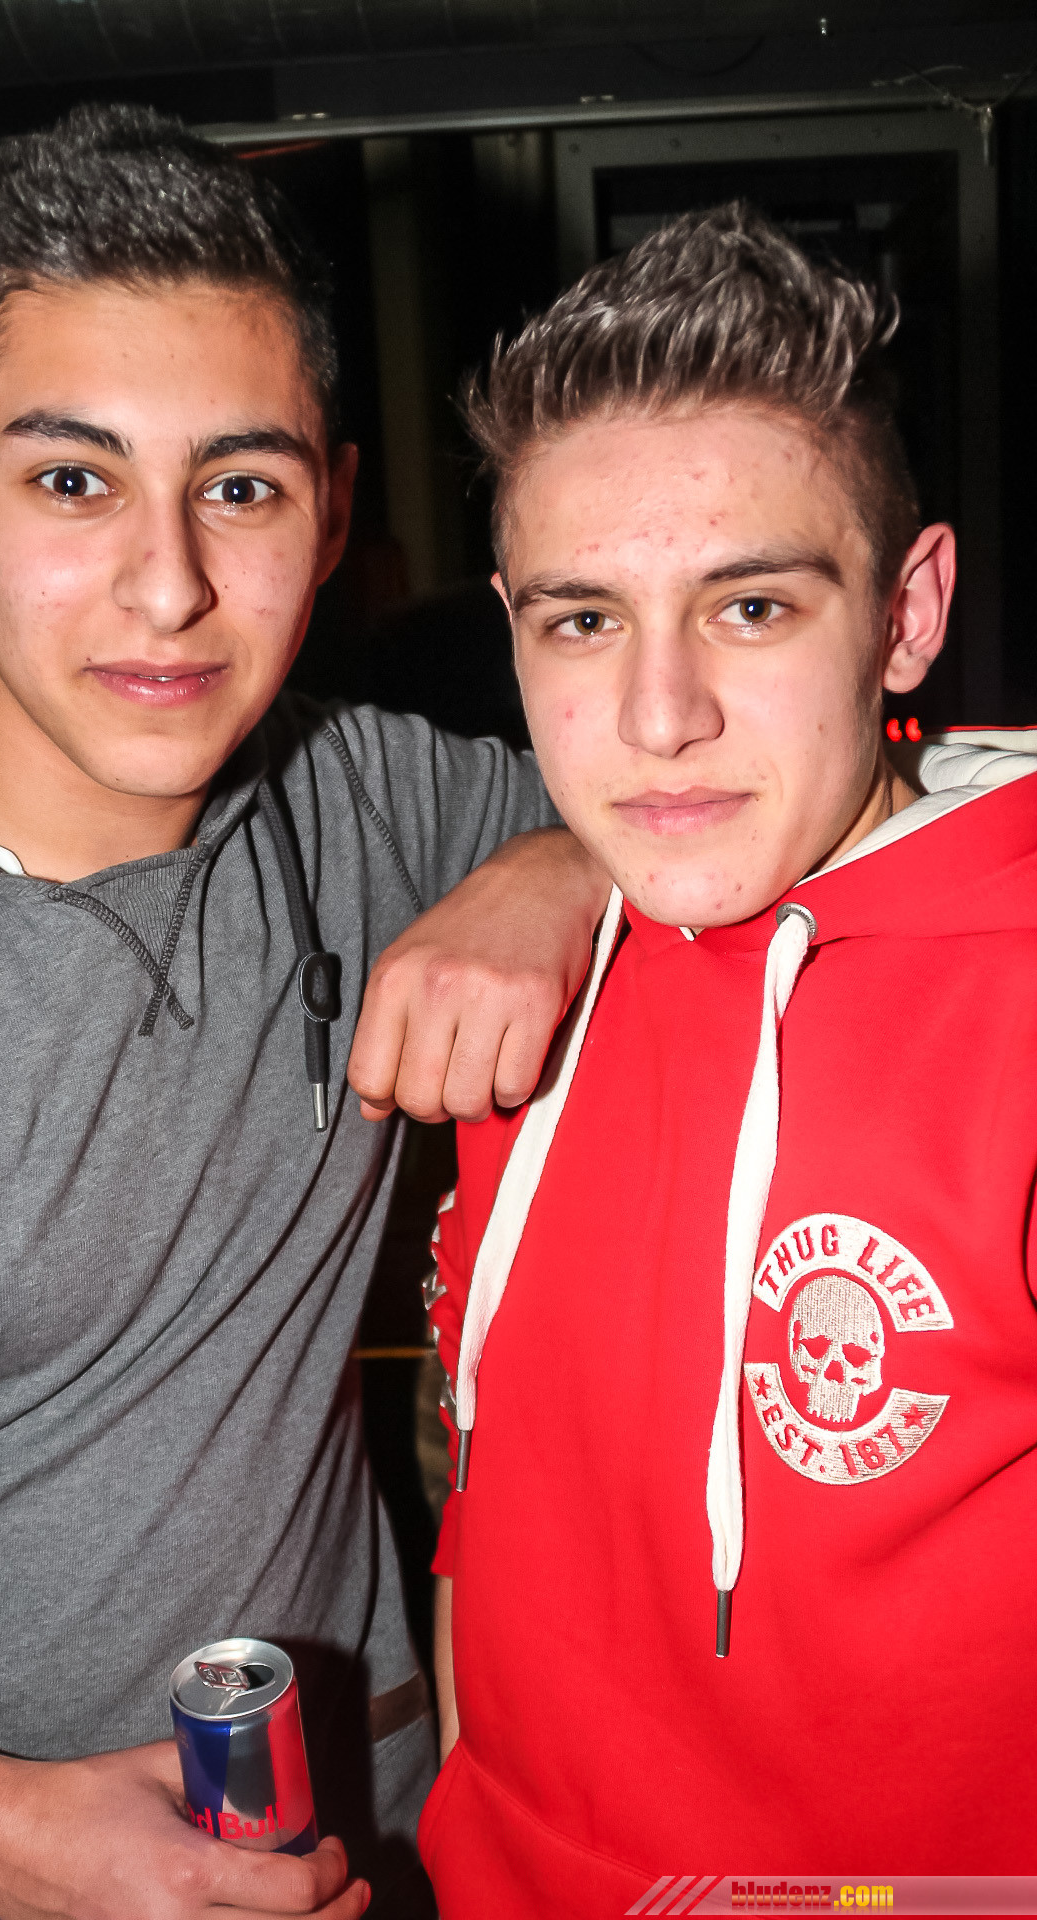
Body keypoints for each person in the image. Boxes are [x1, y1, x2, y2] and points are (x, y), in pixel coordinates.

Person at [0, 105, 611, 1920]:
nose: (171, 587)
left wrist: (566, 863)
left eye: (240, 488)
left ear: (336, 509)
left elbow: (784, 787)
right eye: (73, 483)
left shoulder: (370, 799)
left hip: (353, 1847)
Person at [422, 204, 1037, 1916]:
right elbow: (493, 1495)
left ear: (907, 614)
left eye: (751, 606)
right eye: (583, 622)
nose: (658, 717)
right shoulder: (522, 981)